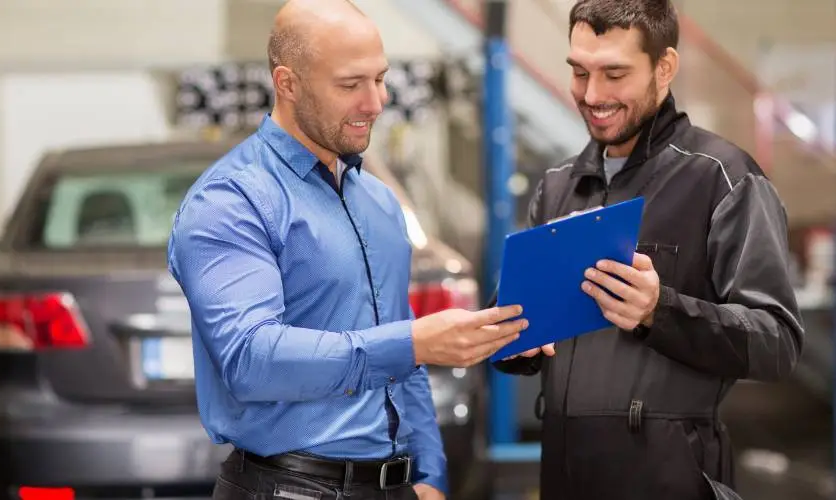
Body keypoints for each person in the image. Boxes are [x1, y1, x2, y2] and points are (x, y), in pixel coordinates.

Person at [167, 0, 528, 499]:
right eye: (350, 84)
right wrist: (412, 343)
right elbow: (251, 359)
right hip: (287, 489)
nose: (375, 102)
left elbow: (405, 360)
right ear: (287, 83)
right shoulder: (232, 200)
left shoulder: (378, 202)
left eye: (380, 79)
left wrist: (428, 474)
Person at [493, 1, 804, 499]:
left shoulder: (722, 178)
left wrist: (659, 311)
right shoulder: (556, 188)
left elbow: (778, 342)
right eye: (579, 72)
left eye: (614, 74)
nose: (592, 94)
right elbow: (514, 328)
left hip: (670, 478)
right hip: (565, 475)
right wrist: (512, 336)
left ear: (664, 67)